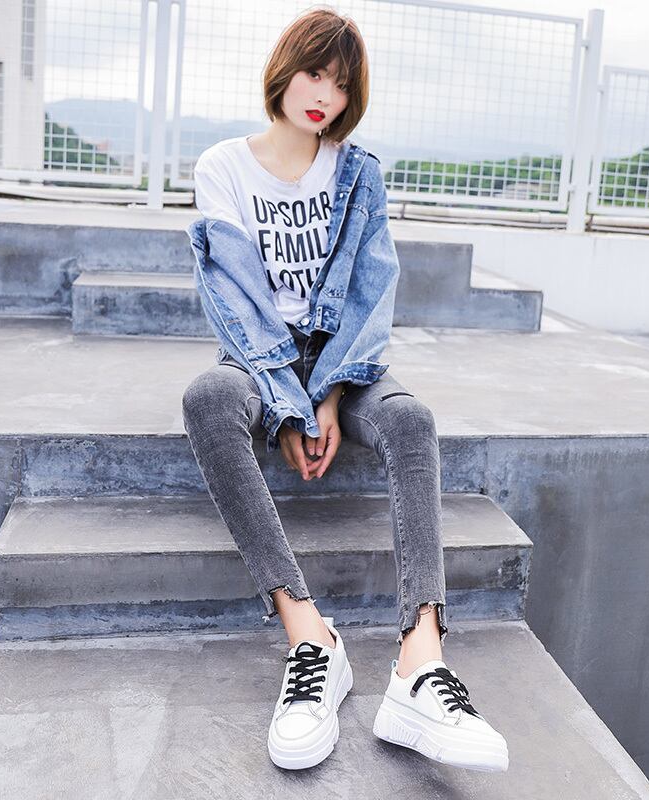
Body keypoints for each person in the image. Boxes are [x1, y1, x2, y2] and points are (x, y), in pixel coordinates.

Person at [182, 5, 509, 774]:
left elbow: (369, 295)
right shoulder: (223, 167)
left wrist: (326, 393)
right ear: (284, 70)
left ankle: (419, 664)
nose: (325, 94)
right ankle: (312, 641)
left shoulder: (359, 174)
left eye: (341, 83)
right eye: (314, 73)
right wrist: (285, 401)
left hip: (343, 360)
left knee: (411, 420)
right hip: (257, 356)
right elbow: (234, 297)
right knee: (207, 400)